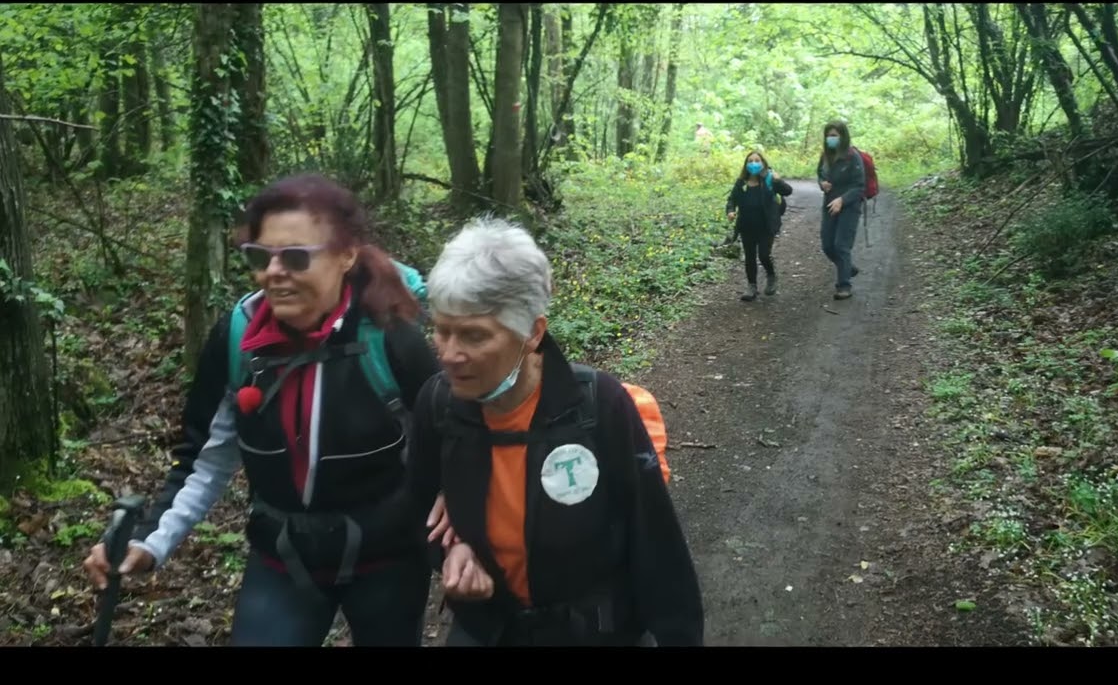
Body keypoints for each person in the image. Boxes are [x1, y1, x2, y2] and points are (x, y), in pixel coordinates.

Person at [82, 173, 449, 646]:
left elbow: (446, 442)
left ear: (346, 256)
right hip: (284, 560)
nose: (274, 272)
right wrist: (149, 540)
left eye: (296, 256)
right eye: (260, 256)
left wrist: (464, 534)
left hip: (388, 561)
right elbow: (203, 459)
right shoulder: (238, 338)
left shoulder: (389, 336)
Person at [412, 216, 704, 647]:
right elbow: (416, 507)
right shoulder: (438, 405)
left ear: (532, 333)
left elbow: (655, 541)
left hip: (595, 632)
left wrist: (680, 637)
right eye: (441, 330)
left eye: (474, 336)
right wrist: (451, 550)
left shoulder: (598, 407)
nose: (450, 354)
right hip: (490, 629)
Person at [725, 150, 792, 301]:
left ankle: (771, 275)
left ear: (763, 163)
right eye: (750, 161)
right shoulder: (741, 182)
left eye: (757, 160)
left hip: (766, 226)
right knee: (749, 257)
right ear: (746, 164)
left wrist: (777, 180)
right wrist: (730, 211)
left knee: (763, 255)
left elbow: (788, 191)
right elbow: (732, 200)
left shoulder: (769, 180)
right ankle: (752, 286)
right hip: (746, 226)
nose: (753, 164)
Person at [816, 120, 866, 300]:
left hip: (849, 206)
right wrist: (822, 184)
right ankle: (847, 268)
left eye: (834, 135)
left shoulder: (853, 156)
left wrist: (842, 200)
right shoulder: (826, 156)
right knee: (828, 245)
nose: (831, 139)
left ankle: (844, 286)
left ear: (843, 136)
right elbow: (820, 174)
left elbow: (860, 186)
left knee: (841, 245)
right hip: (829, 204)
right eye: (829, 136)